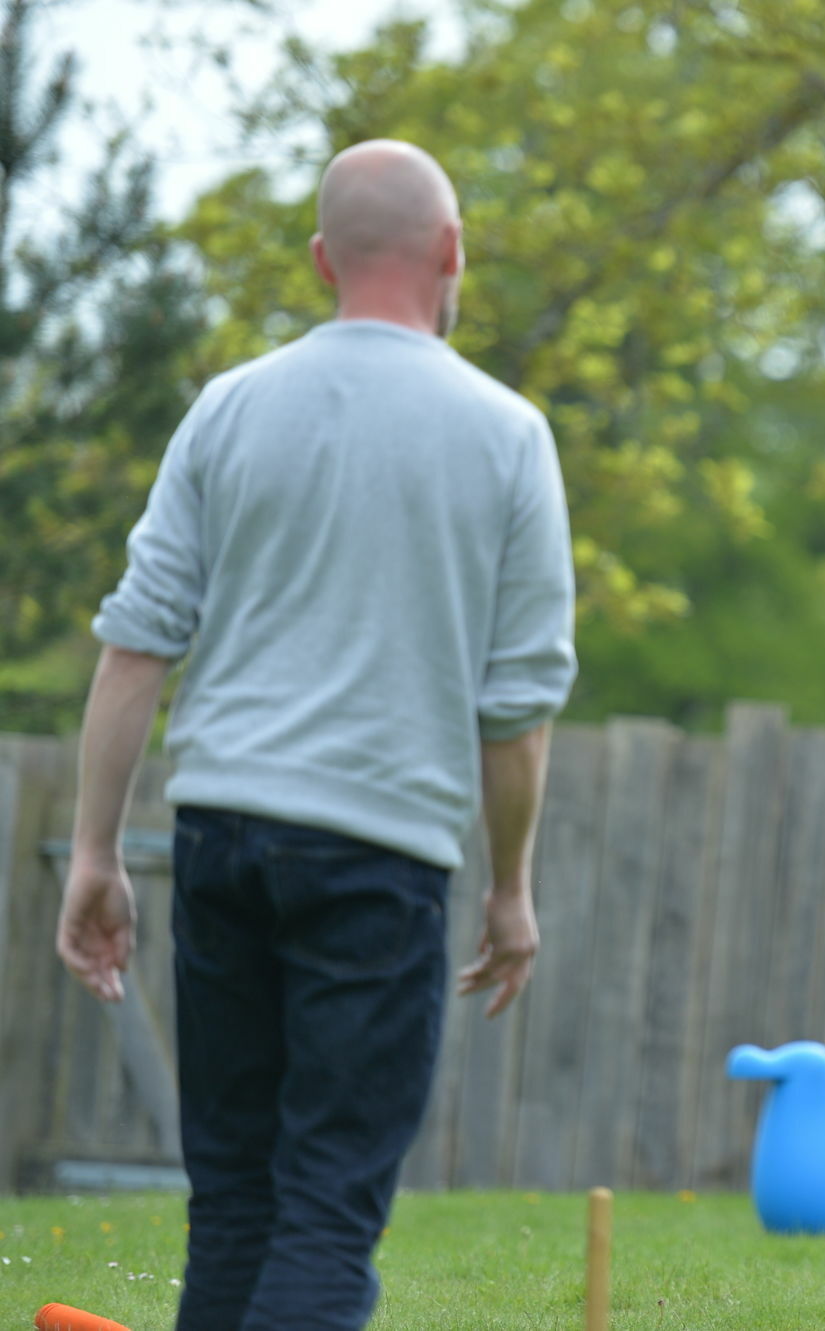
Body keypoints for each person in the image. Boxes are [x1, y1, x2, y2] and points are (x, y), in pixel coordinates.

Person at [53, 139, 577, 1331]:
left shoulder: (229, 406)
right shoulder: (506, 435)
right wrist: (510, 890)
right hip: (376, 854)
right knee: (327, 1211)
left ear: (318, 259)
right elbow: (514, 712)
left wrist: (97, 852)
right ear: (451, 254)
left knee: (233, 1199)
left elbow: (136, 647)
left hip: (222, 839)